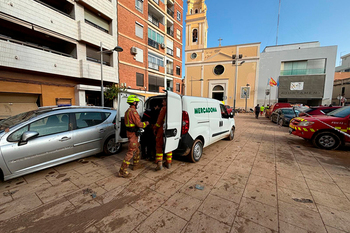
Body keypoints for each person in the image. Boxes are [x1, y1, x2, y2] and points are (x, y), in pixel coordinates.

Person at [118, 95, 149, 178]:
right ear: (134, 103)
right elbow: (139, 124)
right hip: (132, 135)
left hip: (130, 133)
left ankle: (136, 165)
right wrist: (146, 123)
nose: (138, 104)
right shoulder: (133, 112)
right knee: (130, 152)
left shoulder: (127, 111)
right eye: (137, 102)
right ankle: (122, 171)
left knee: (137, 149)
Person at [153, 98, 172, 171]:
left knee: (159, 145)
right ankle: (168, 163)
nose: (162, 102)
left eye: (163, 101)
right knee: (169, 145)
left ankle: (159, 164)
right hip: (170, 128)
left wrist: (155, 127)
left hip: (162, 129)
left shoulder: (164, 108)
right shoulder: (172, 108)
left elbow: (159, 120)